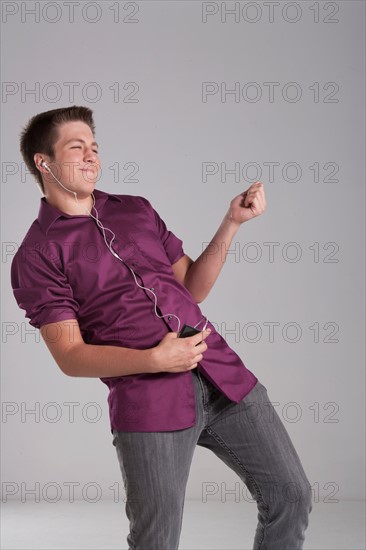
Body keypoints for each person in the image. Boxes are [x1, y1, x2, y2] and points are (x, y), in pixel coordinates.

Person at [11, 105, 312, 549]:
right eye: (77, 148)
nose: (91, 157)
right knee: (157, 539)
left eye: (94, 147)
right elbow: (70, 355)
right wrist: (154, 359)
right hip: (148, 403)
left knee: (291, 495)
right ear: (44, 161)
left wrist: (232, 223)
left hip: (224, 376)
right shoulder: (36, 255)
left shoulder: (136, 210)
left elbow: (192, 285)